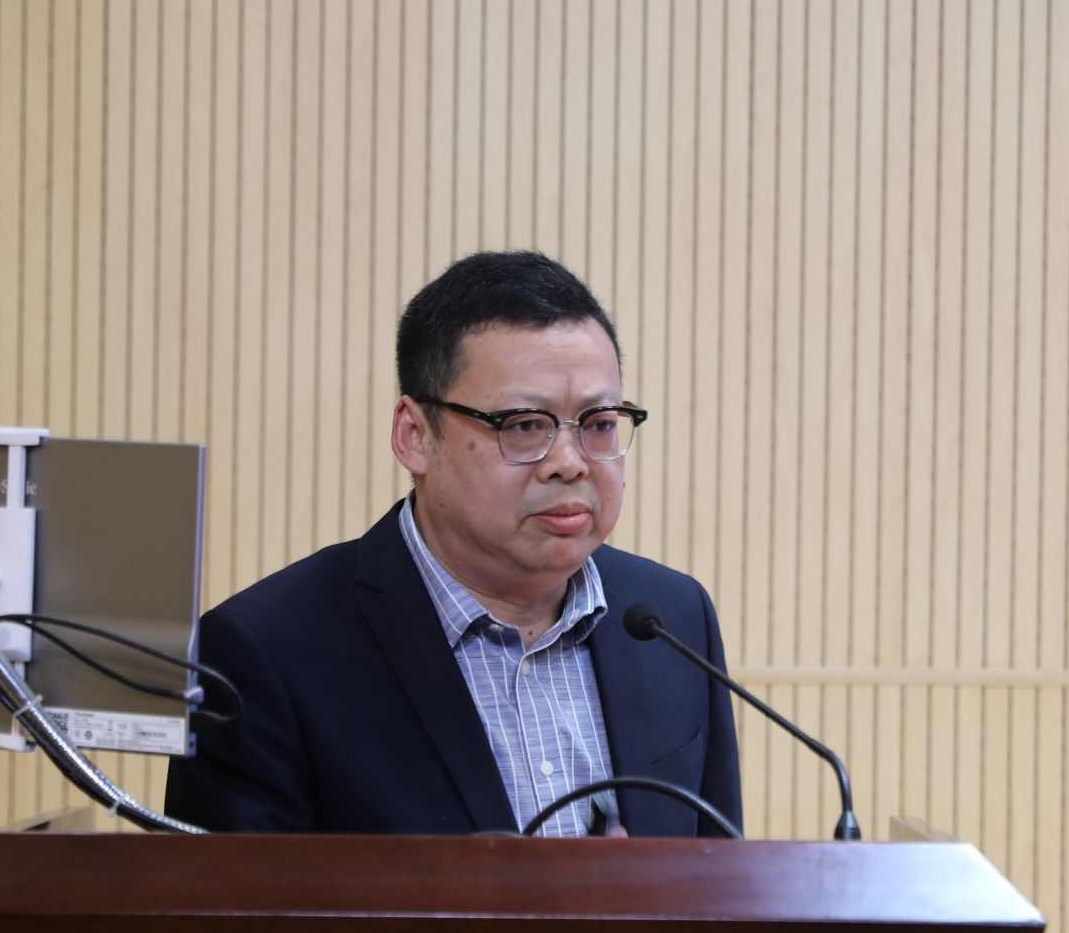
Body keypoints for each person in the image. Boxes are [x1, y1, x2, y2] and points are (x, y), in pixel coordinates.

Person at [165, 251, 741, 836]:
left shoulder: (673, 619)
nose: (569, 463)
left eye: (599, 424)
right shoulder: (264, 654)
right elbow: (237, 899)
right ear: (415, 436)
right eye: (524, 425)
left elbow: (722, 878)